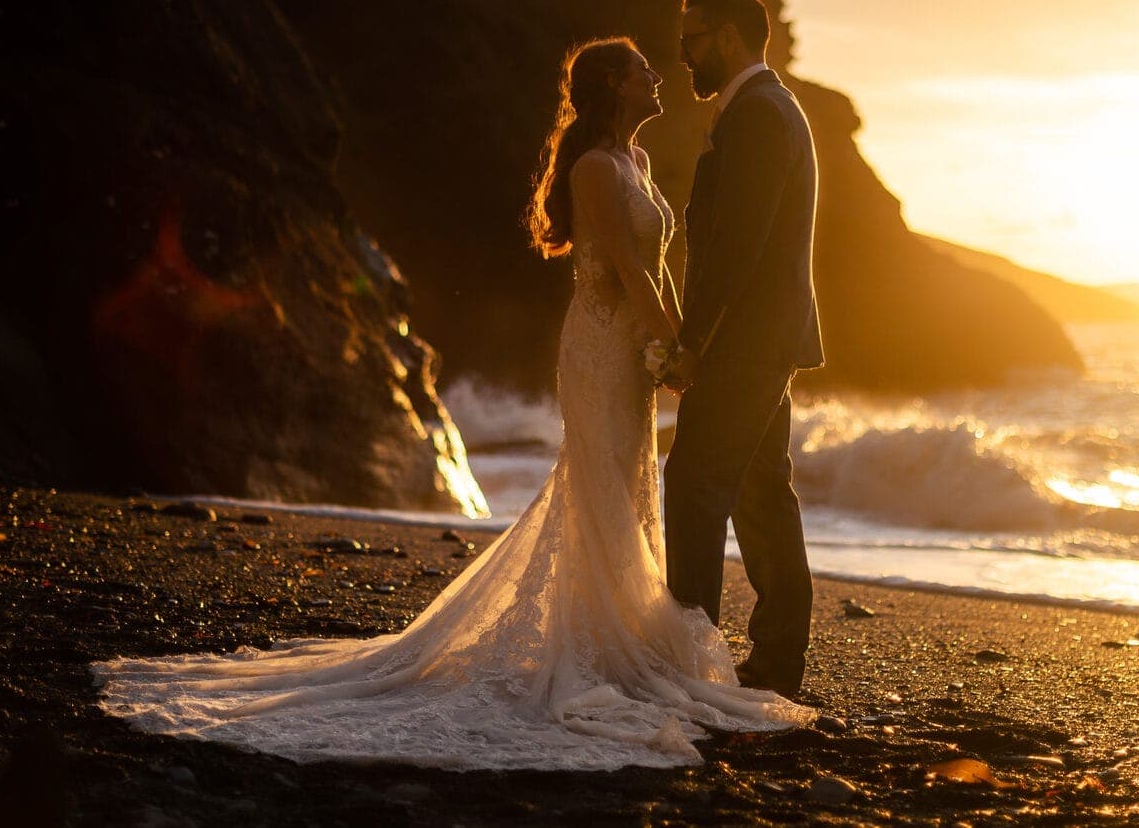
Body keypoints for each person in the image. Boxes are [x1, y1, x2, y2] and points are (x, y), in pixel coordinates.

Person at [91, 38, 812, 770]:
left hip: (631, 353)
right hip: (599, 350)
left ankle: (617, 626)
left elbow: (655, 268)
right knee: (599, 486)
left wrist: (663, 348)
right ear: (612, 87)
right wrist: (681, 350)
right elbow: (626, 271)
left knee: (629, 486)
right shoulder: (595, 168)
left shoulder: (642, 162)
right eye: (642, 70)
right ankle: (598, 639)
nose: (658, 75)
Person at [657, 0, 823, 699]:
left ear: (727, 38)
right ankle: (775, 661)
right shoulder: (762, 109)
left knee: (693, 484)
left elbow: (736, 248)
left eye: (692, 39)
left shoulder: (758, 115)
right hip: (765, 335)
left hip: (747, 340)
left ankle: (691, 662)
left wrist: (695, 342)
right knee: (759, 491)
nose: (683, 54)